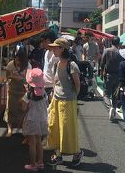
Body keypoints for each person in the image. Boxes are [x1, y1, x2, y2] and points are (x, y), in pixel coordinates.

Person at [46, 38, 83, 167]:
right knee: (54, 126)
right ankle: (58, 155)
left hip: (68, 101)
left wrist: (73, 97)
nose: (53, 49)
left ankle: (77, 153)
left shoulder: (72, 65)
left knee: (67, 130)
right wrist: (52, 92)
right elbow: (56, 80)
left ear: (62, 49)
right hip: (56, 99)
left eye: (55, 47)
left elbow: (77, 85)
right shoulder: (57, 63)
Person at [21, 68, 48, 171]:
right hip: (42, 120)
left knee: (32, 143)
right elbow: (46, 104)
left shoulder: (28, 95)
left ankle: (32, 165)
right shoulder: (44, 93)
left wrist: (27, 107)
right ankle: (40, 162)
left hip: (31, 120)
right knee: (39, 142)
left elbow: (23, 108)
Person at [4, 46, 31, 137]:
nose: (17, 62)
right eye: (16, 59)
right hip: (12, 90)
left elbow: (30, 79)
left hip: (23, 90)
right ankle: (9, 129)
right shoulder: (11, 64)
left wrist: (22, 78)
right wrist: (14, 77)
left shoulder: (28, 65)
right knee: (11, 109)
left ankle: (23, 129)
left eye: (19, 60)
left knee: (23, 110)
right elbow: (7, 76)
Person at [100, 36, 123, 121]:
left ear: (111, 42)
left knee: (106, 94)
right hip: (118, 76)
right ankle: (113, 111)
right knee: (115, 95)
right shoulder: (120, 52)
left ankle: (110, 108)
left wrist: (102, 72)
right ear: (119, 43)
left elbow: (102, 62)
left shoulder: (107, 50)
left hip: (108, 75)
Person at [41, 30, 58, 97]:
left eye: (42, 41)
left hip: (51, 88)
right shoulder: (46, 52)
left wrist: (54, 90)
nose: (41, 43)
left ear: (48, 40)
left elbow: (57, 75)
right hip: (44, 86)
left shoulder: (56, 55)